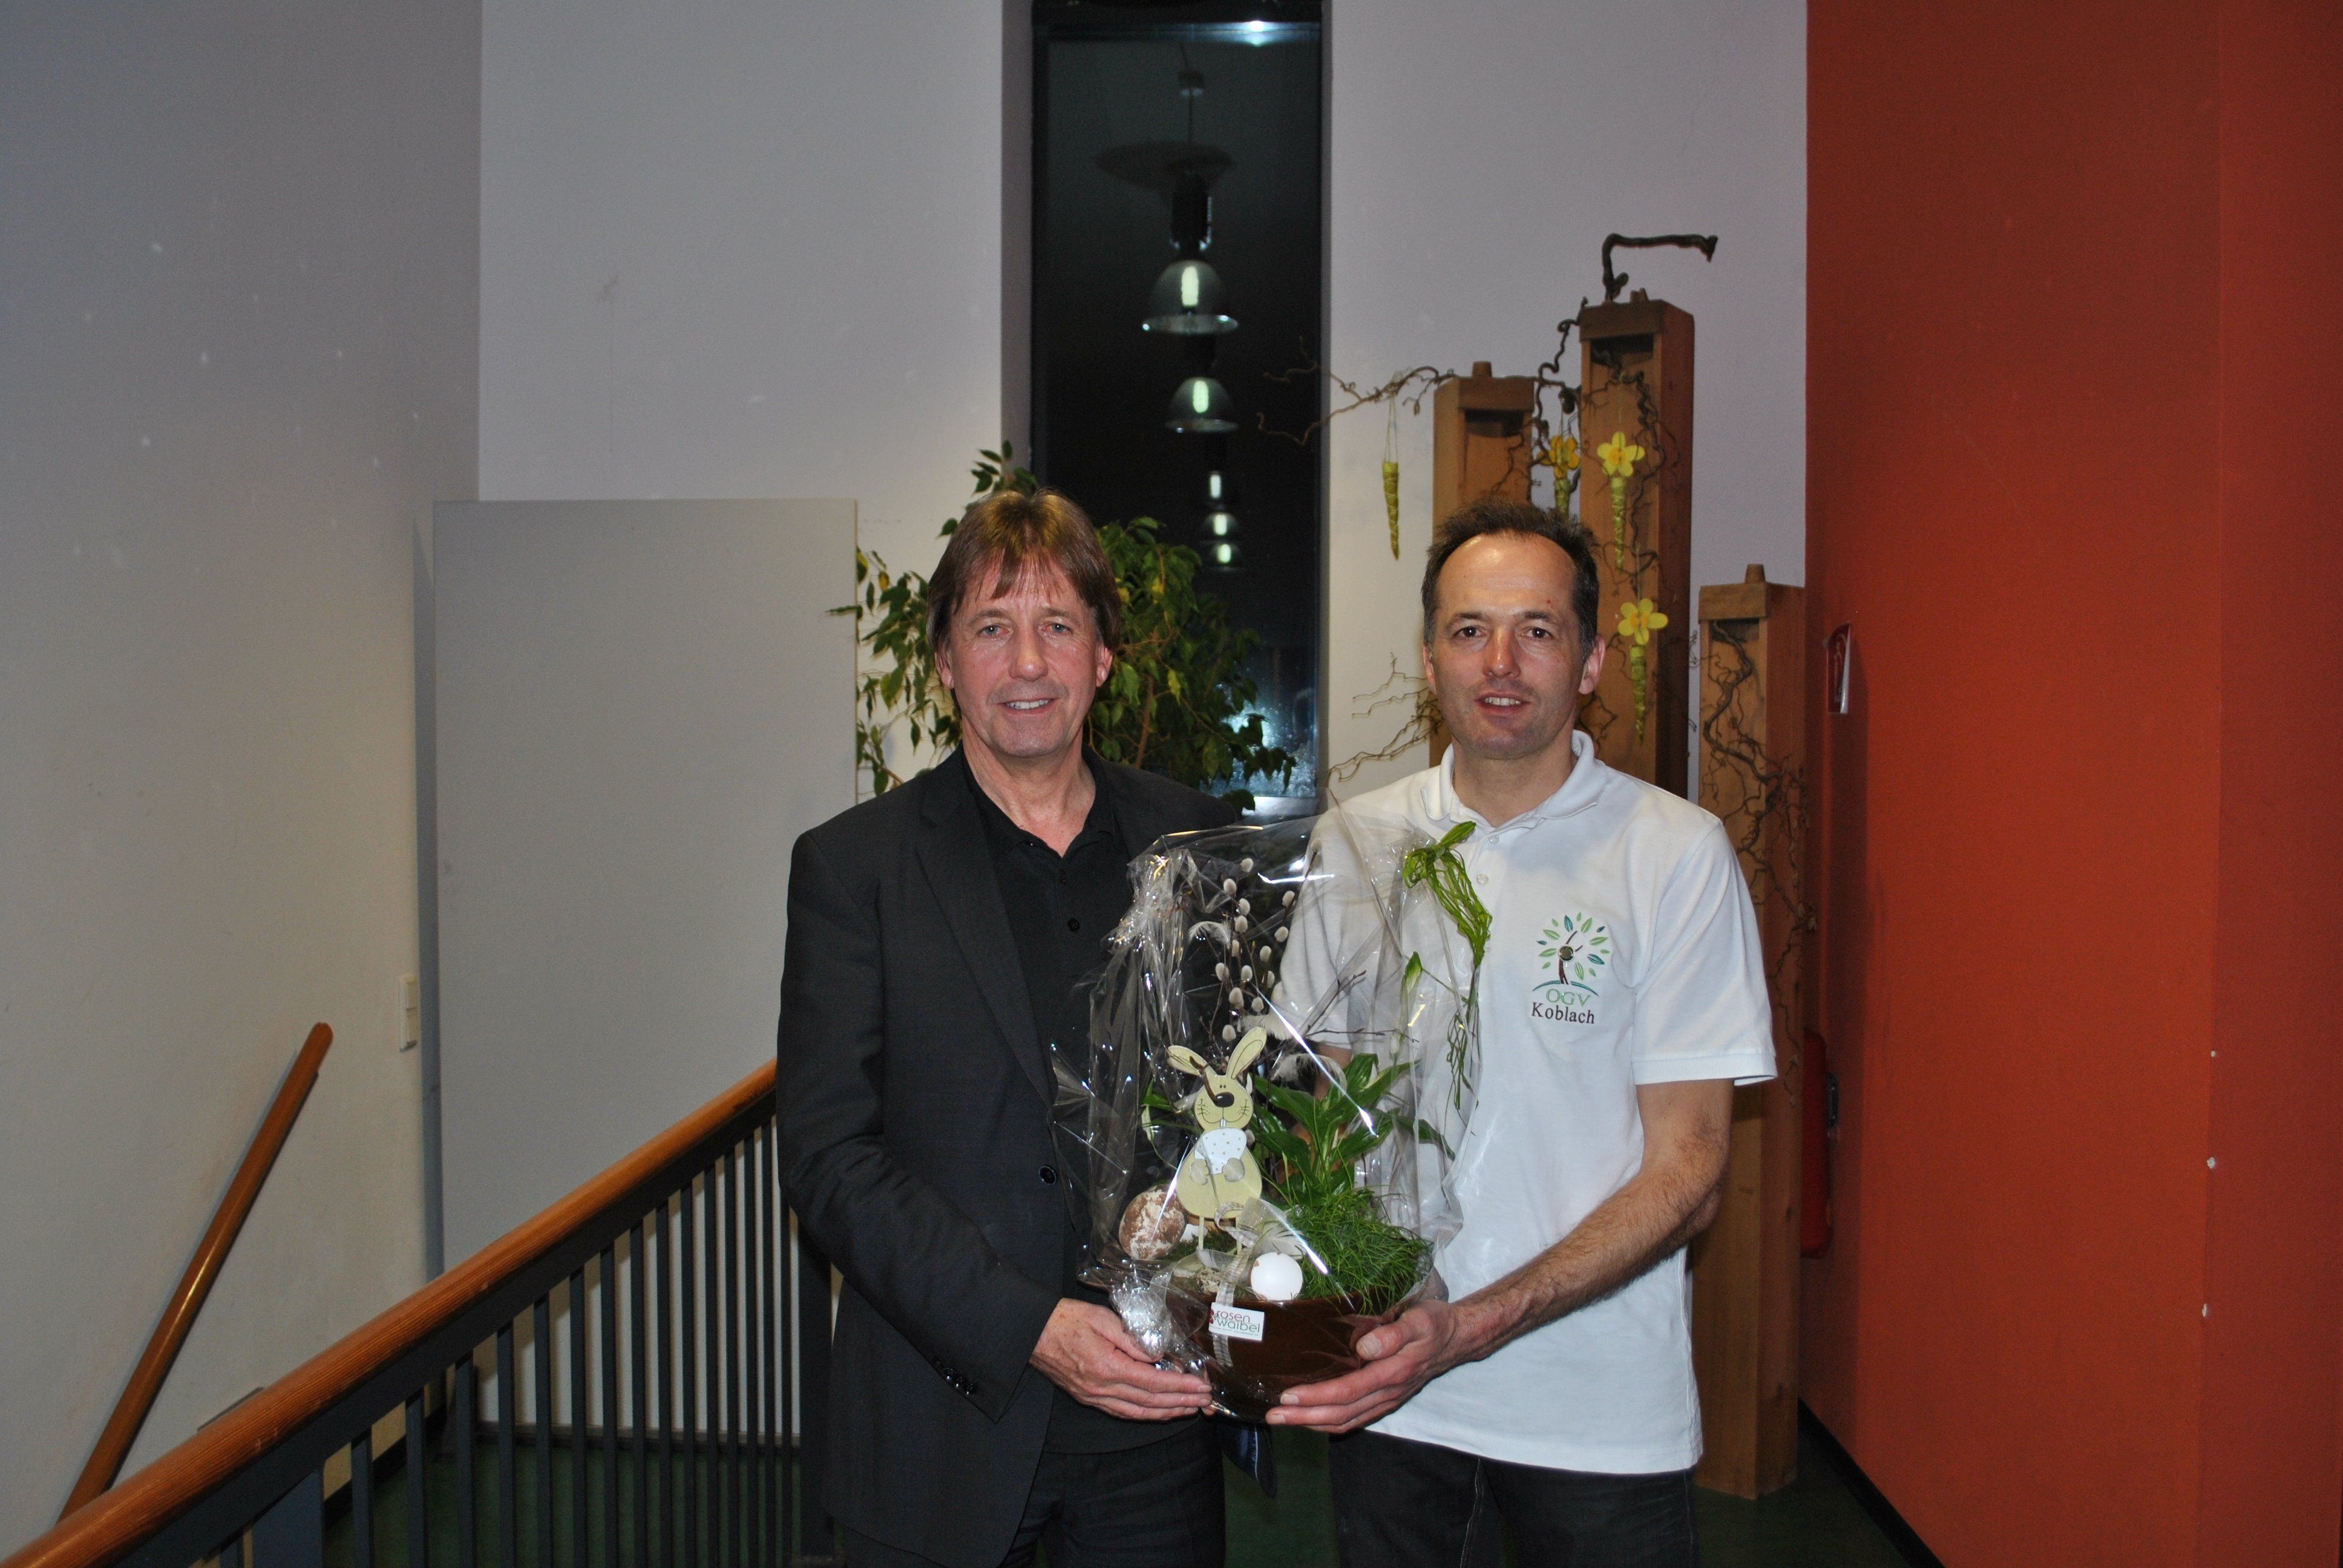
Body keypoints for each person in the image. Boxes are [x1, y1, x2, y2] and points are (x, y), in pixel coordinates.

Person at [1273, 497, 1775, 1568]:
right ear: (1428, 659)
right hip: (1390, 1396)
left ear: (1590, 662)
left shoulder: (1672, 854)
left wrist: (1473, 1323)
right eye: (1469, 630)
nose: (1500, 662)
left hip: (1599, 1417)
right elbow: (1328, 1106)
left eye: (1537, 630)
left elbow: (1691, 1167)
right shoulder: (1357, 843)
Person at [776, 487, 1237, 1568]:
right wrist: (1030, 1328)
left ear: (1104, 657)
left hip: (1155, 1428)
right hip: (940, 1428)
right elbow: (831, 1159)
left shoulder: (1194, 843)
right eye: (991, 627)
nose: (1027, 663)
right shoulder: (855, 868)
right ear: (945, 661)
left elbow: (1244, 1097)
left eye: (1058, 626)